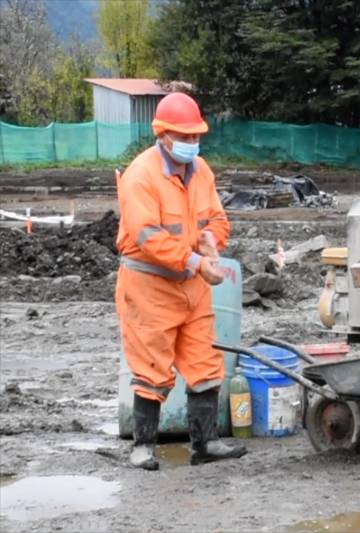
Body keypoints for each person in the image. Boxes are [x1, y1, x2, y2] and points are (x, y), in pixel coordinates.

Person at [115, 92, 246, 469]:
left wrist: (213, 242)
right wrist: (195, 261)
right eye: (184, 137)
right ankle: (142, 447)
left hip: (191, 284)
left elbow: (218, 219)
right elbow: (147, 237)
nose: (191, 144)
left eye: (195, 137)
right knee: (151, 367)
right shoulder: (141, 176)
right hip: (149, 286)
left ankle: (205, 444)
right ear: (163, 135)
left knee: (205, 362)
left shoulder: (201, 171)